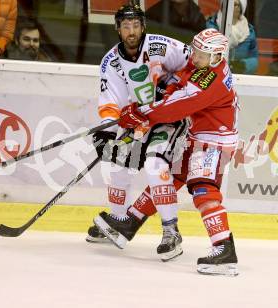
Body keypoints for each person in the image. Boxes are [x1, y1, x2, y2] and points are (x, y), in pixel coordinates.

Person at [96, 28, 239, 276]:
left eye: (201, 54)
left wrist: (142, 113)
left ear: (216, 56)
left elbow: (179, 105)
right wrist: (156, 98)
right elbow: (181, 83)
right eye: (194, 50)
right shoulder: (204, 66)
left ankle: (224, 248)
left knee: (203, 188)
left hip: (213, 142)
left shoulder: (209, 80)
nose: (194, 56)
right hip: (200, 137)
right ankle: (130, 222)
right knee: (171, 179)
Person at [88, 4, 190, 262]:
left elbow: (193, 64)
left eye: (135, 25)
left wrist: (171, 90)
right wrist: (108, 132)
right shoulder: (110, 62)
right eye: (125, 26)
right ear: (118, 29)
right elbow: (111, 101)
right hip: (139, 122)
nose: (131, 31)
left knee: (156, 166)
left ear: (143, 27)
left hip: (168, 119)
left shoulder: (160, 46)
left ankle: (171, 232)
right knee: (117, 161)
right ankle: (118, 222)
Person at [207, 0, 258, 74]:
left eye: (236, 5)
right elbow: (203, 54)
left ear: (241, 8)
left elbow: (254, 59)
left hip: (240, 76)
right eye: (230, 4)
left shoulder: (249, 32)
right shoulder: (211, 27)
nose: (231, 7)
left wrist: (242, 65)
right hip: (215, 75)